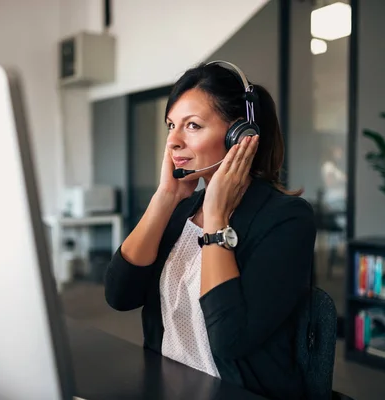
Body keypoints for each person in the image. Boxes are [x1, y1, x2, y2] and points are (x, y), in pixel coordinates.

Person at [104, 61, 317, 400]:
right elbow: (119, 295)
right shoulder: (181, 210)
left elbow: (230, 339)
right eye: (171, 125)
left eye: (192, 126)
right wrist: (165, 198)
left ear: (240, 136)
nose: (173, 141)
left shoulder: (287, 219)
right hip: (166, 384)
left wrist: (217, 217)